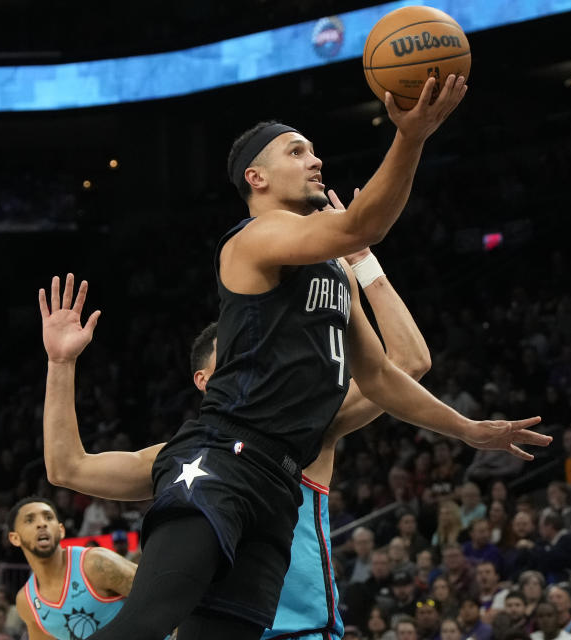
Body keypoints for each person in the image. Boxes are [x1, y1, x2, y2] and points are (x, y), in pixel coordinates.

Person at [41, 72, 552, 640]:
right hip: (221, 462)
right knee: (148, 621)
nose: (316, 160)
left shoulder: (335, 272)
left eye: (313, 149)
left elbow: (383, 373)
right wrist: (411, 137)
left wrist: (468, 431)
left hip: (278, 487)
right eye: (296, 150)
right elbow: (364, 223)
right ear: (256, 178)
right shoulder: (253, 238)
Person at [43, 239, 440, 640]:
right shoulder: (174, 459)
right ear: (204, 379)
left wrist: (362, 262)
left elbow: (409, 363)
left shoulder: (307, 426)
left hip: (298, 632)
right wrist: (61, 363)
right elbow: (66, 467)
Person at [7, 497, 138, 640]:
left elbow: (159, 593)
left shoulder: (96, 563)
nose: (42, 524)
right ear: (15, 538)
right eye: (30, 520)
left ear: (61, 530)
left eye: (48, 517)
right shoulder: (26, 602)